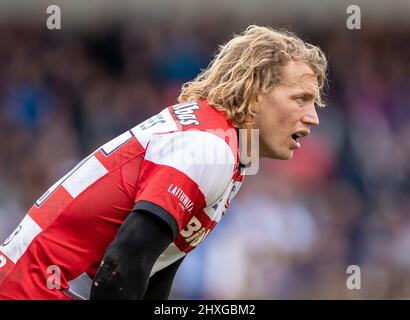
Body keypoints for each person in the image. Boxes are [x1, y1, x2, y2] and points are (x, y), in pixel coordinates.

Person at [0, 25, 327, 300]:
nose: (312, 117)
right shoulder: (208, 146)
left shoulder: (228, 147)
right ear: (257, 93)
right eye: (301, 99)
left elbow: (154, 268)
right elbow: (123, 262)